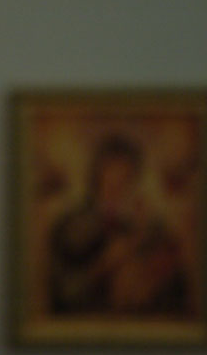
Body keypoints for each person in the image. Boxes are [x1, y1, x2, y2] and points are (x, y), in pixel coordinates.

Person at [49, 133, 189, 315]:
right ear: (97, 174)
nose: (117, 179)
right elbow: (63, 293)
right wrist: (104, 265)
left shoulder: (151, 225)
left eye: (126, 172)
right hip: (87, 320)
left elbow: (177, 290)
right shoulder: (70, 223)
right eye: (111, 170)